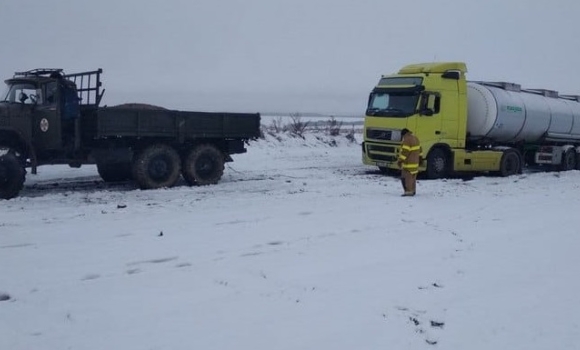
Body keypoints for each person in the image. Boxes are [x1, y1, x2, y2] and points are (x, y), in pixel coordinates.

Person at [397, 128, 422, 196]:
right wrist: (420, 158)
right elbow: (420, 150)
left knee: (406, 178)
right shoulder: (415, 138)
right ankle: (413, 190)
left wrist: (400, 161)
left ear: (403, 134)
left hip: (408, 164)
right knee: (413, 178)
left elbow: (405, 152)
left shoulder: (407, 140)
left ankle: (408, 192)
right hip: (415, 163)